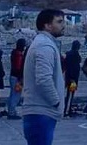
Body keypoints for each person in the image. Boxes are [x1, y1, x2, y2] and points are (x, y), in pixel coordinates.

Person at [22, 9, 66, 145]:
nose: (63, 25)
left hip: (40, 111)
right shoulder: (44, 46)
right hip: (41, 111)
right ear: (47, 25)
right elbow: (43, 79)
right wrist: (56, 101)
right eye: (59, 22)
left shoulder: (43, 43)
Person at [7, 38, 27, 120]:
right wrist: (20, 78)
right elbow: (18, 67)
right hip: (17, 77)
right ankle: (11, 112)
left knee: (12, 94)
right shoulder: (19, 54)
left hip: (13, 76)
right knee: (16, 95)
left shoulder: (14, 53)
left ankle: (11, 110)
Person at [63, 41, 81, 117]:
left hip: (69, 77)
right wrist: (72, 78)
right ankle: (67, 111)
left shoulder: (69, 54)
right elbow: (73, 67)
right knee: (70, 94)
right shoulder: (75, 55)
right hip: (72, 78)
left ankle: (67, 109)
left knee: (69, 94)